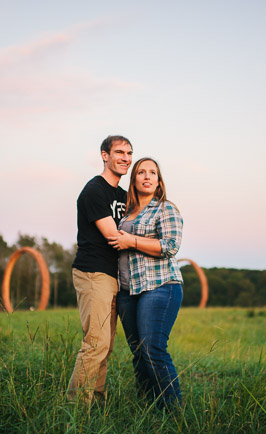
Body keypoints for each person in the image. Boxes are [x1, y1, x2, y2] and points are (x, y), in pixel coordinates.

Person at [107, 157, 184, 409]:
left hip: (161, 286)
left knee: (153, 349)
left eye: (153, 172)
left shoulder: (165, 209)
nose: (147, 176)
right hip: (128, 291)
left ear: (159, 181)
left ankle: (173, 411)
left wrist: (132, 241)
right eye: (141, 172)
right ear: (134, 179)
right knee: (139, 353)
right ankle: (146, 406)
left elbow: (170, 246)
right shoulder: (125, 214)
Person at [67, 135, 133, 404]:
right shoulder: (94, 190)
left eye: (129, 153)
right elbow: (113, 235)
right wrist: (149, 243)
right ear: (105, 155)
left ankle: (96, 401)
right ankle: (75, 408)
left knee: (105, 346)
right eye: (119, 152)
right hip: (94, 272)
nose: (125, 158)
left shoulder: (123, 195)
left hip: (113, 276)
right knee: (96, 343)